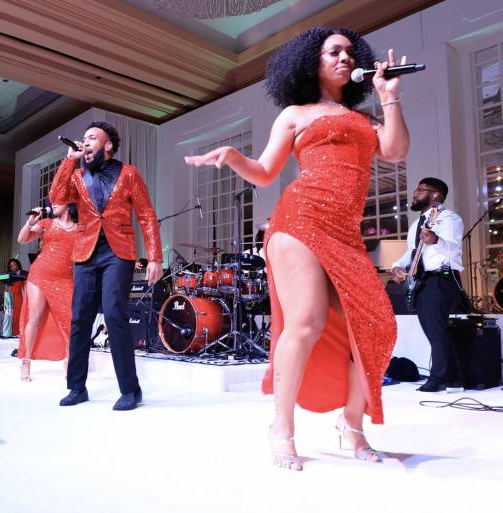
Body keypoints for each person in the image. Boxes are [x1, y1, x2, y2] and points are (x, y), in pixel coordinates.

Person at [185, 28, 409, 470]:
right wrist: (234, 156)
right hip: (300, 219)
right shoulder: (294, 114)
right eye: (333, 52)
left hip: (346, 232)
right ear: (312, 63)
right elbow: (266, 172)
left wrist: (388, 95)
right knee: (306, 321)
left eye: (350, 52)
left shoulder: (366, 119)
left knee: (377, 326)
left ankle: (351, 422)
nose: (344, 58)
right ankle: (281, 428)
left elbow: (396, 151)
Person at [50, 121, 163, 411]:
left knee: (114, 314)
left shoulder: (129, 174)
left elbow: (147, 214)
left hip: (118, 252)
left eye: (92, 138)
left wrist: (155, 257)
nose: (85, 142)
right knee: (80, 319)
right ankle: (77, 387)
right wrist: (69, 160)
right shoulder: (78, 175)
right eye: (84, 138)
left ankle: (130, 390)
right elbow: (57, 198)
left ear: (108, 145)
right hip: (85, 252)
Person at [391, 178, 465, 392]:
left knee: (435, 330)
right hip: (423, 281)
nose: (415, 194)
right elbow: (412, 252)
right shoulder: (416, 224)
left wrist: (436, 241)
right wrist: (397, 266)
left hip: (442, 278)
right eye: (416, 190)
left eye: (420, 190)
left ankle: (440, 379)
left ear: (435, 196)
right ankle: (453, 378)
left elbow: (454, 249)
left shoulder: (449, 218)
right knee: (435, 330)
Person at [15, 202, 78, 381]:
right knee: (35, 318)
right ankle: (26, 361)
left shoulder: (80, 228)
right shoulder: (47, 223)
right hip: (40, 274)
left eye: (59, 201)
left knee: (69, 320)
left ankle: (70, 361)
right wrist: (30, 222)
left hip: (64, 278)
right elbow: (22, 239)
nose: (53, 204)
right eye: (53, 201)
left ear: (69, 205)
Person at [7, 258, 25, 336]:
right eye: (11, 266)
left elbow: (25, 290)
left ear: (17, 266)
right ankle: (9, 332)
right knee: (9, 316)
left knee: (17, 316)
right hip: (9, 299)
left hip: (18, 299)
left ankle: (17, 333)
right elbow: (6, 289)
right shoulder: (8, 276)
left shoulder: (22, 276)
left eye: (14, 265)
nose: (12, 267)